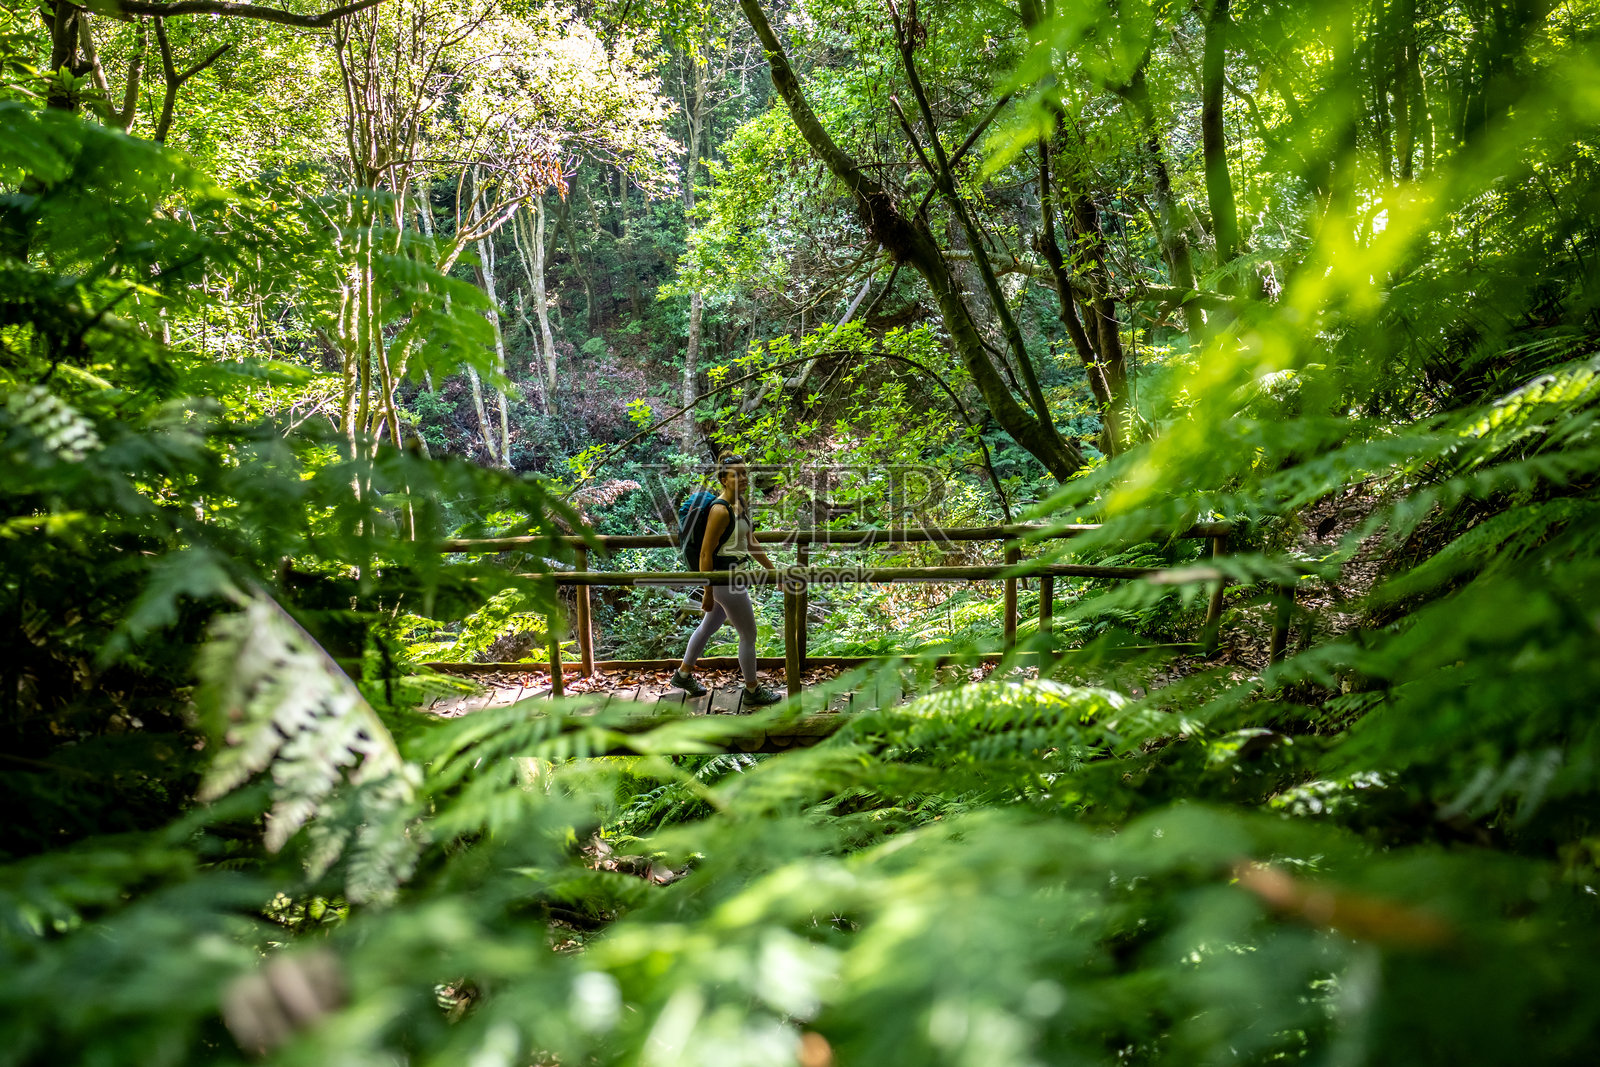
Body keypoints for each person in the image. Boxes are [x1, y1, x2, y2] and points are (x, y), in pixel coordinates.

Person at [669, 452, 783, 705]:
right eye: (736, 475)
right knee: (749, 635)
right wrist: (708, 591)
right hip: (725, 580)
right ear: (723, 479)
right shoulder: (719, 510)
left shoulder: (739, 504)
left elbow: (750, 542)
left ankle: (683, 674)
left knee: (709, 626)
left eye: (745, 473)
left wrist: (773, 572)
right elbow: (706, 552)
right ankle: (753, 691)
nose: (743, 478)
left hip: (734, 577)